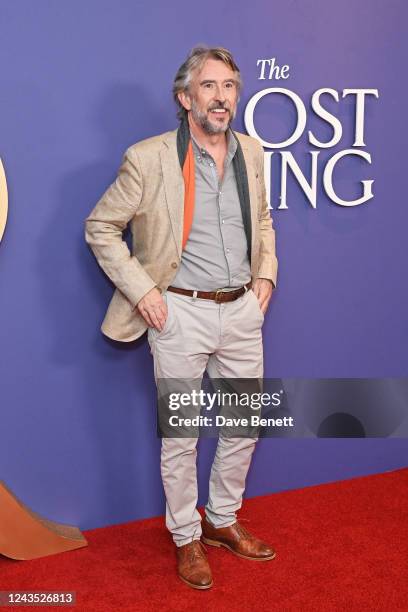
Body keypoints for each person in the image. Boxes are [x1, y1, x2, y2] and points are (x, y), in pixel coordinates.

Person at [85, 45, 278, 590]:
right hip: (181, 314)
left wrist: (266, 276)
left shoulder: (252, 151)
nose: (221, 98)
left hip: (241, 309)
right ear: (185, 97)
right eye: (210, 87)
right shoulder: (148, 158)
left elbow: (262, 219)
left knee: (244, 424)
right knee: (183, 434)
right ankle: (186, 537)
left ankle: (221, 521)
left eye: (229, 87)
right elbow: (101, 227)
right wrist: (144, 290)